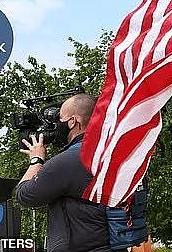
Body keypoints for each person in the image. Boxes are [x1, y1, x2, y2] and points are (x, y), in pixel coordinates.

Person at [15, 93, 110, 252]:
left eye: (59, 119)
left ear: (73, 121)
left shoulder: (69, 161)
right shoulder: (111, 153)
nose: (57, 125)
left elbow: (25, 196)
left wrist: (36, 160)